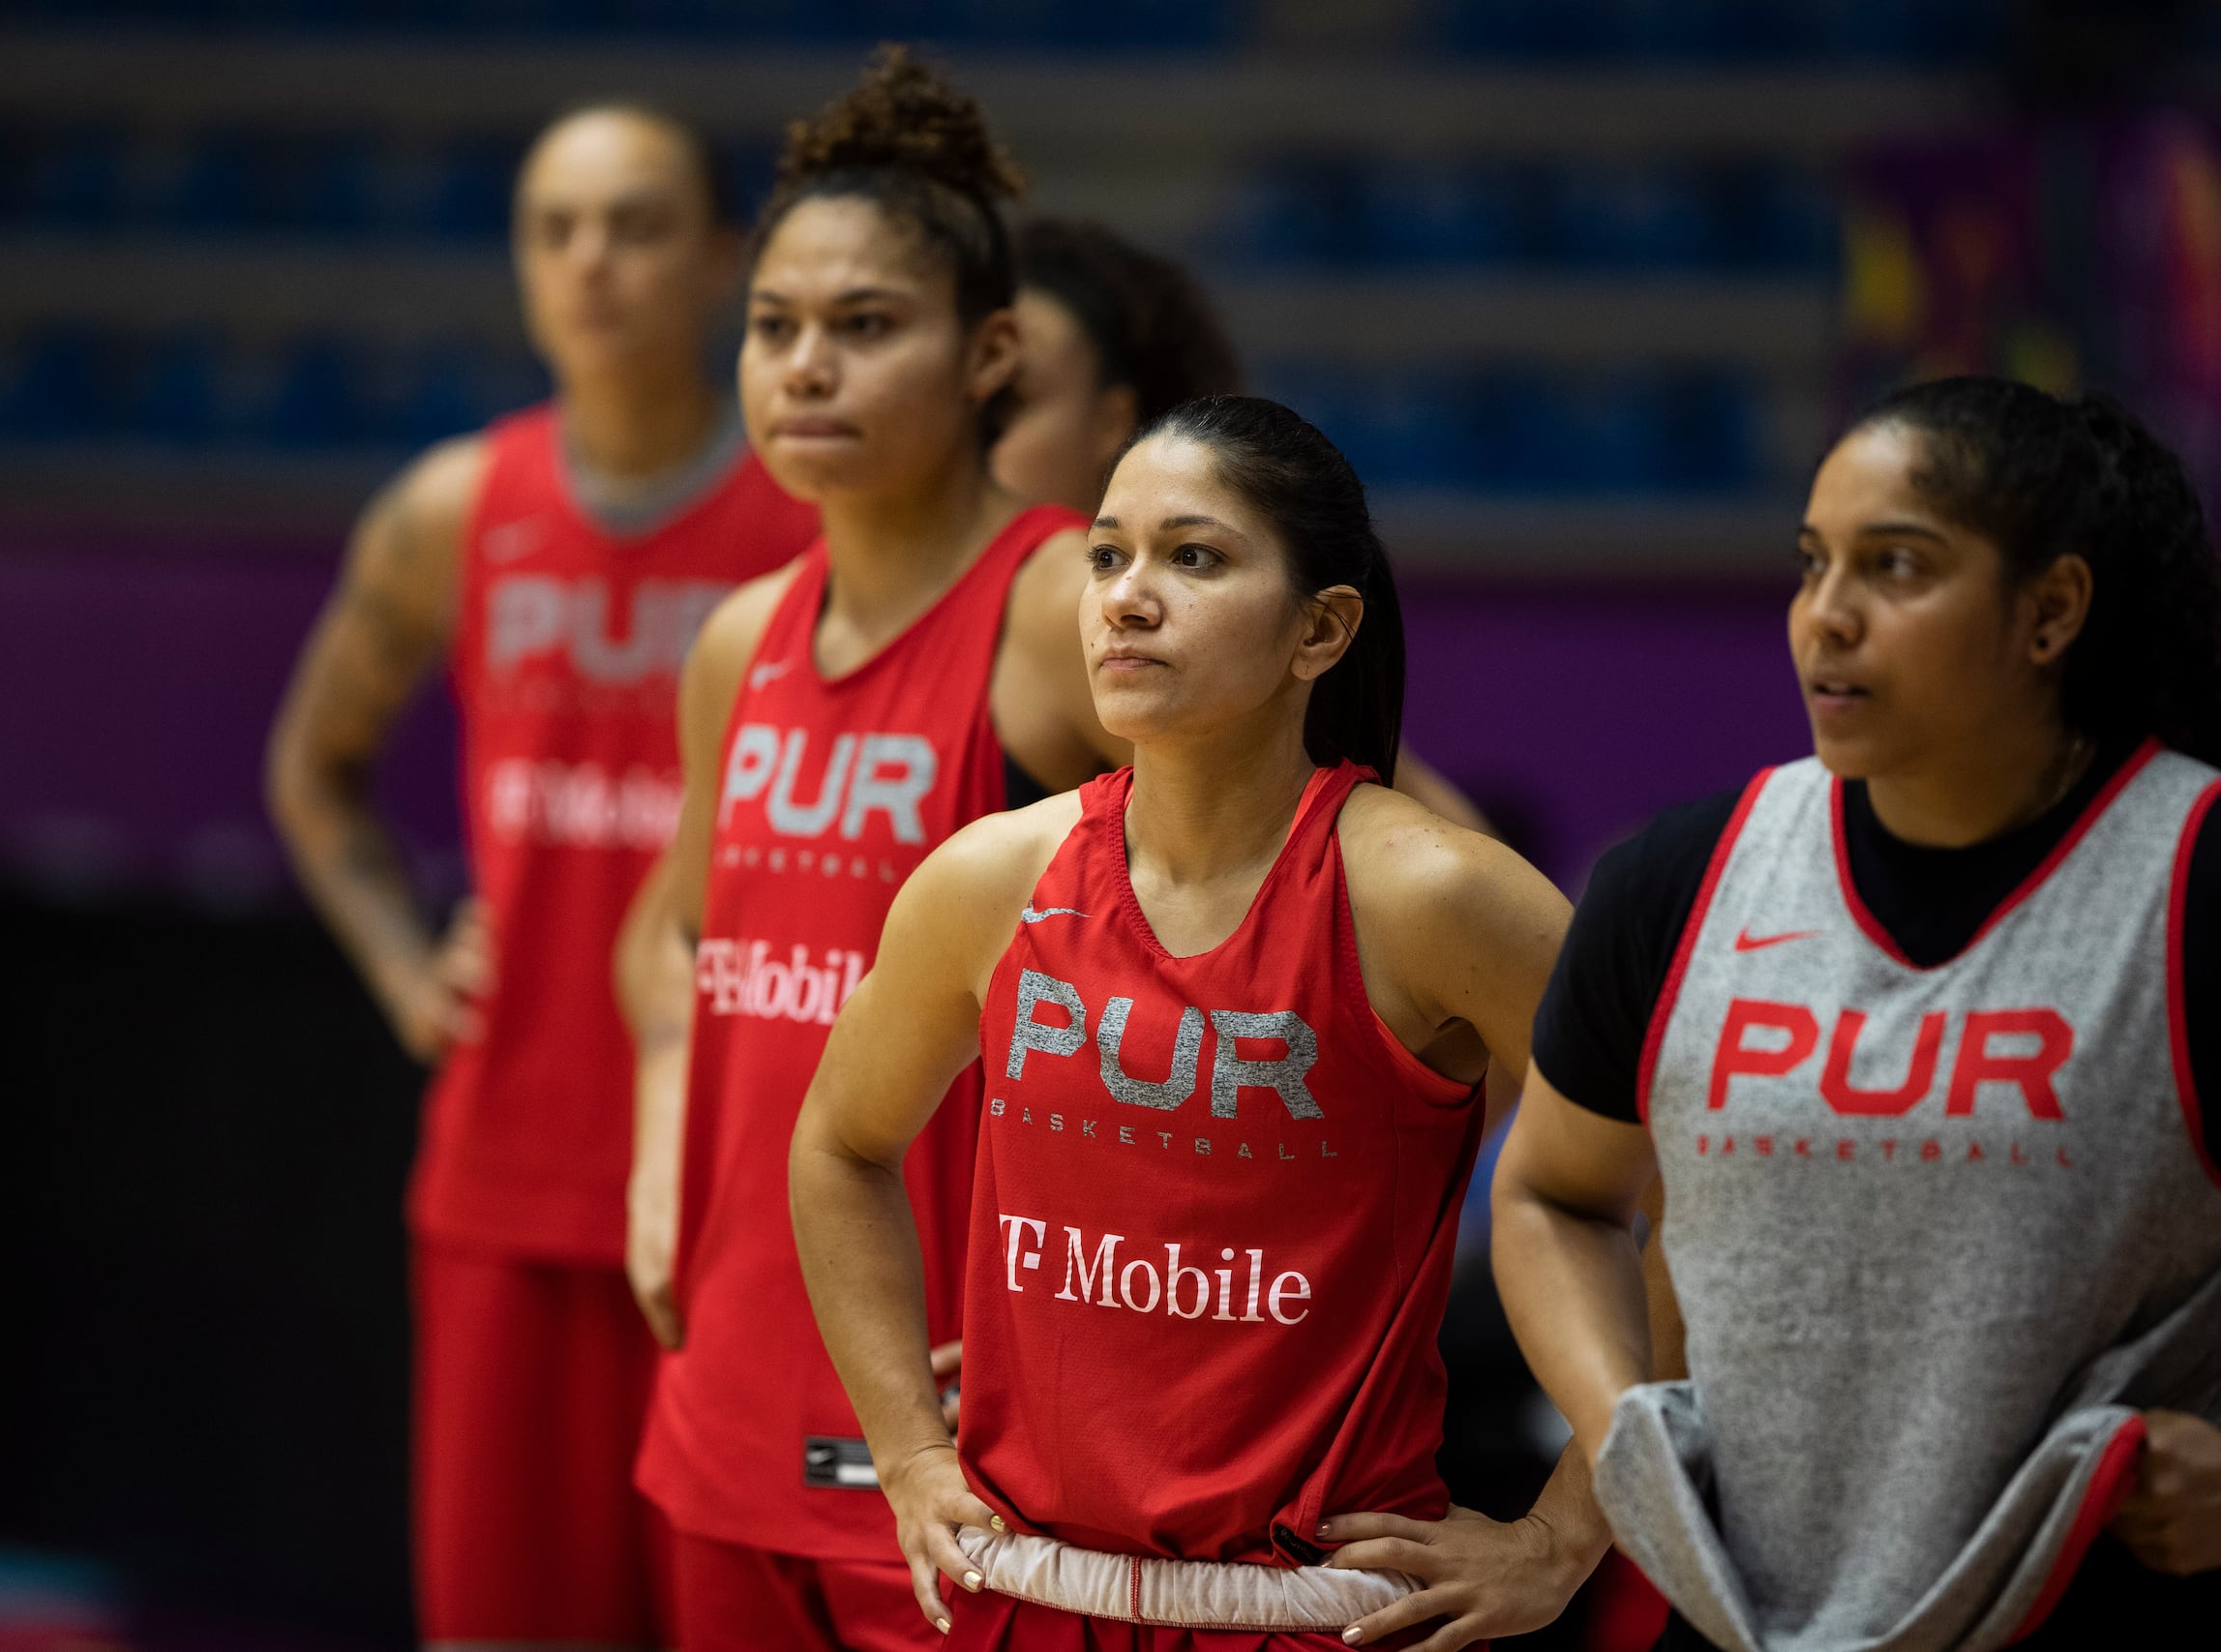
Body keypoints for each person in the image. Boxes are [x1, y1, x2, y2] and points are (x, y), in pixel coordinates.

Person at [790, 395, 1612, 1650]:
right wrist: (904, 1446)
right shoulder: (988, 879)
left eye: (1195, 555)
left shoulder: (1434, 894)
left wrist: (1568, 1528)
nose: (1125, 593)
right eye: (1107, 552)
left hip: (1322, 1616)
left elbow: (1699, 1182)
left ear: (1322, 627)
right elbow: (838, 1147)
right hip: (1022, 1602)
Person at [1491, 377, 2221, 1652]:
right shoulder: (1679, 875)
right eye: (1812, 562)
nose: (1826, 617)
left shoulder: (2194, 870)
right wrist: (1623, 1434)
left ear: (2049, 609)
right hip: (1731, 1616)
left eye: (1896, 568)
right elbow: (1554, 1192)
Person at [266, 105, 817, 1649]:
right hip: (506, 1170)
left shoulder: (819, 516)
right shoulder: (455, 508)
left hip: (745, 1197)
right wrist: (396, 961)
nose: (589, 262)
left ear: (720, 261)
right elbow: (312, 770)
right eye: (553, 227)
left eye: (635, 225)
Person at [616, 50, 1135, 1652]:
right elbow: (669, 936)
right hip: (724, 1395)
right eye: (775, 327)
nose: (806, 369)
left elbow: (1301, 894)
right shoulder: (738, 639)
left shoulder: (1065, 608)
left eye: (865, 327)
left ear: (991, 355)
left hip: (961, 1442)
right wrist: (658, 1136)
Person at [993, 216, 1487, 836]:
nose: (968, 434)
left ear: (1114, 419)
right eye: (1107, 558)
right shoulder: (986, 869)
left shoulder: (1066, 605)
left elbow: (1451, 849)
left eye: (1007, 401)